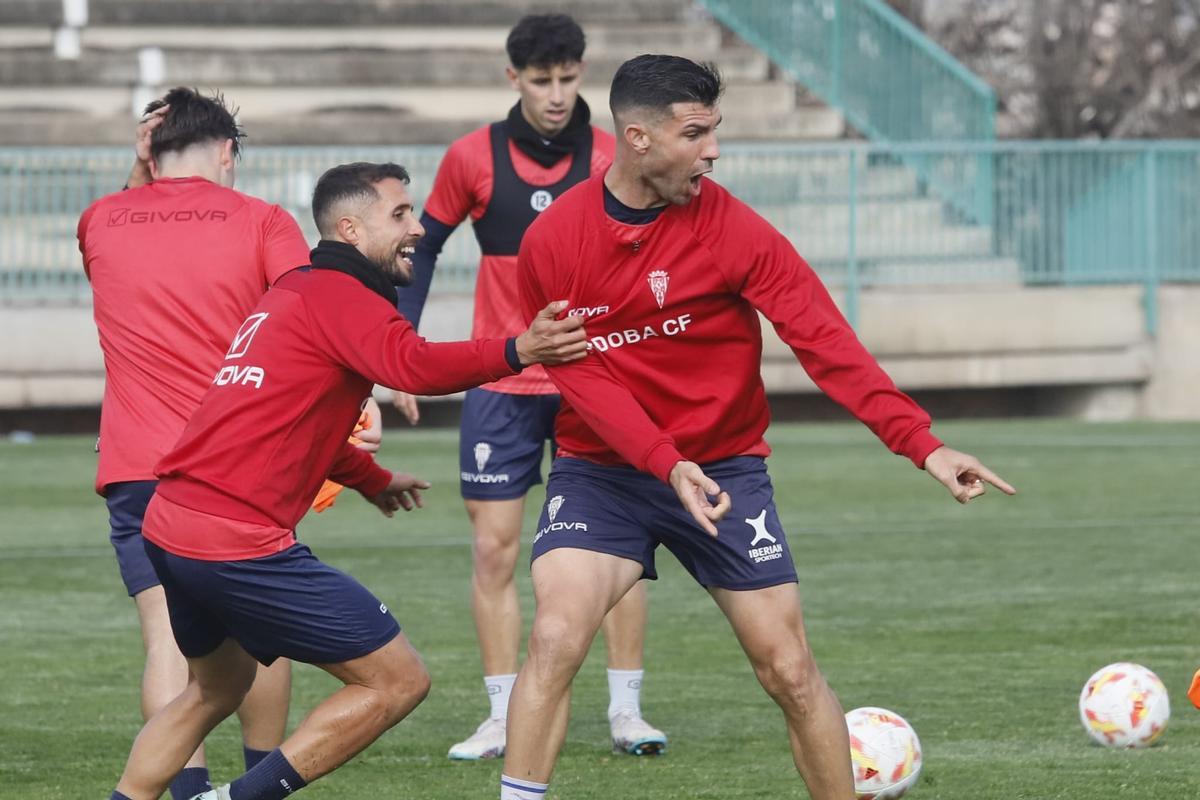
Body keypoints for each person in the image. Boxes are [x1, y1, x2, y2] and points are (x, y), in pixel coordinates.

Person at [498, 55, 1017, 800]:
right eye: (696, 133)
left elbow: (826, 342)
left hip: (726, 470)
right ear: (637, 139)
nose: (713, 150)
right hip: (603, 471)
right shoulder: (554, 243)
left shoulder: (734, 229)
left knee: (789, 669)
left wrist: (921, 444)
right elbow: (577, 373)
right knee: (553, 637)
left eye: (716, 131)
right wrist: (661, 460)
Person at [107, 160, 589, 800]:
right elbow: (412, 366)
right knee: (397, 680)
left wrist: (370, 478)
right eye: (400, 214)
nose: (417, 227)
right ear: (350, 228)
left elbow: (295, 419)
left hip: (171, 523)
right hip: (233, 539)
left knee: (213, 689)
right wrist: (518, 351)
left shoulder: (295, 292)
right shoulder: (340, 296)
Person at [393, 13, 665, 759]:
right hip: (502, 379)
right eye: (541, 81)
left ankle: (627, 710)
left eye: (568, 79)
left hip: (595, 378)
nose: (555, 94)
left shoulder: (615, 154)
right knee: (494, 552)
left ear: (583, 73)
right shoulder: (470, 158)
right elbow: (420, 252)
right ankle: (502, 713)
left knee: (623, 546)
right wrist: (399, 353)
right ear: (513, 78)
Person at [79, 87, 329, 800]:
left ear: (151, 151)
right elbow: (305, 321)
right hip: (239, 464)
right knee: (262, 627)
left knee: (165, 636)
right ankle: (259, 782)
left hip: (135, 466)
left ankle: (183, 792)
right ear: (227, 151)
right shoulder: (263, 220)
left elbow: (114, 236)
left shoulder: (100, 218)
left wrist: (141, 169)